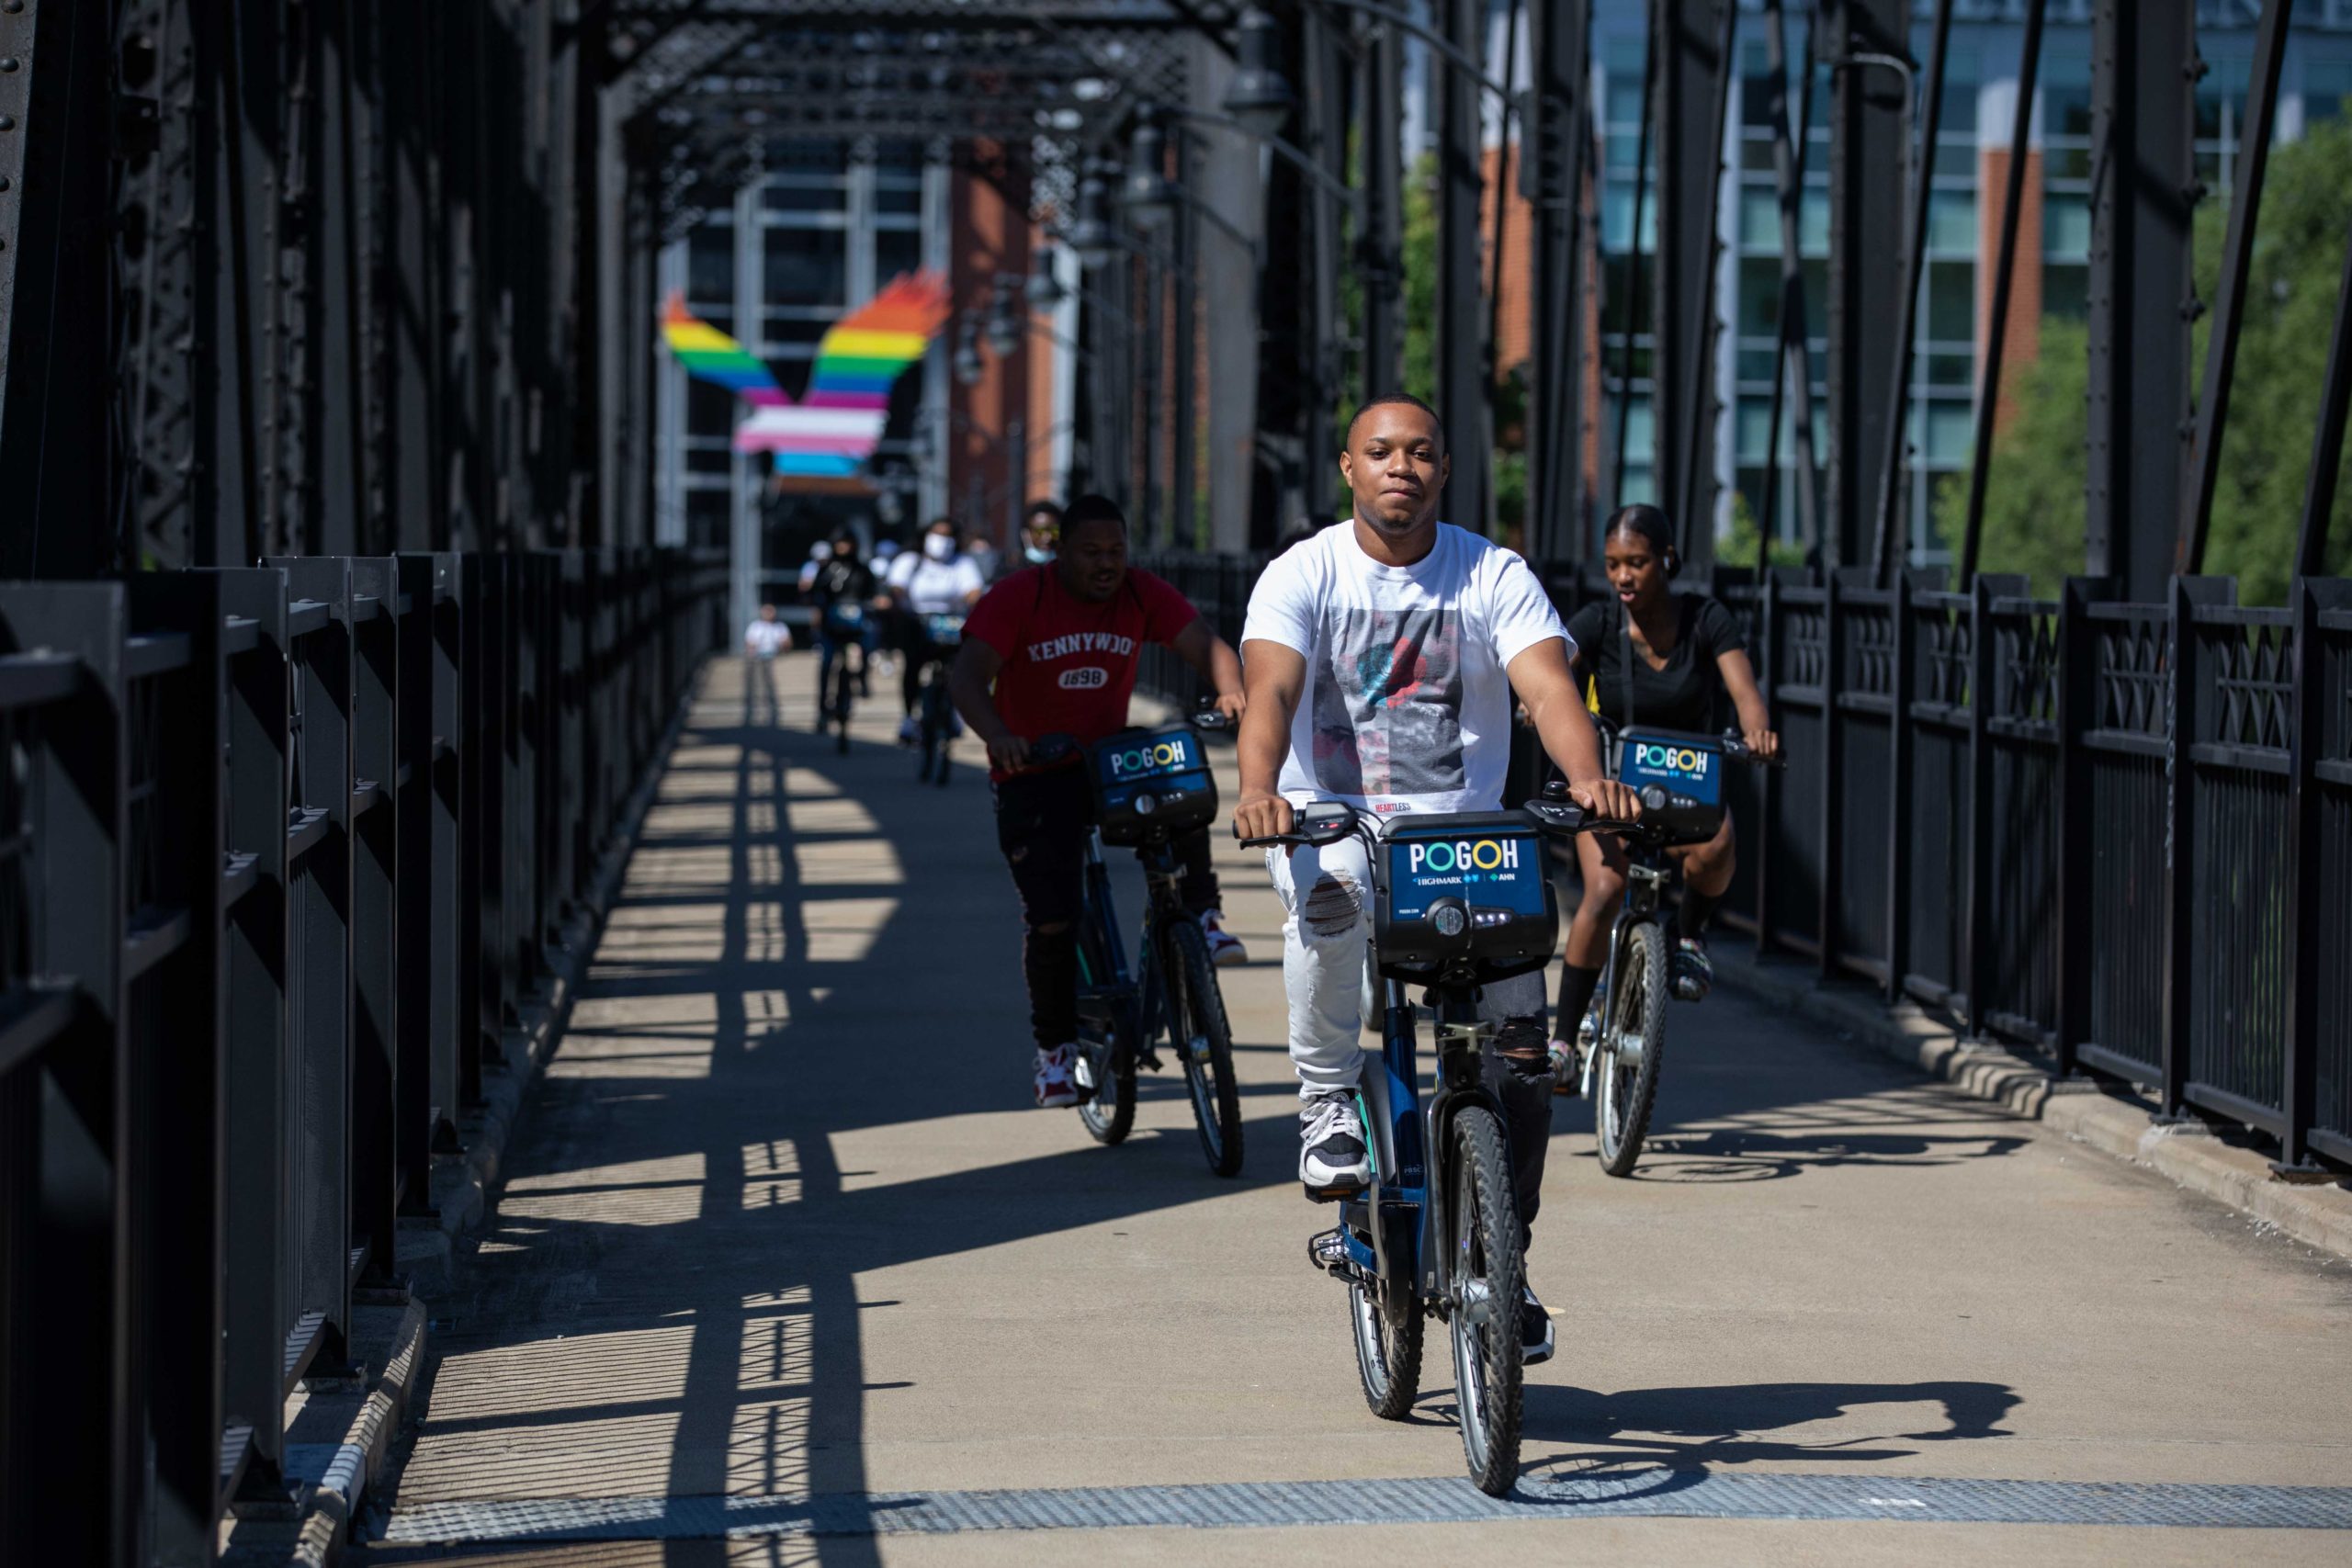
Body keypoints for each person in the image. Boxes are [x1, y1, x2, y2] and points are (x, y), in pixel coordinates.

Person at [1229, 392, 1640, 1362]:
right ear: (1348, 468)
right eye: (1380, 452)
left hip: (1462, 846)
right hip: (1336, 826)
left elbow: (1546, 684)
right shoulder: (1302, 572)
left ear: (1444, 469)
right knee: (1329, 895)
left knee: (1521, 1064)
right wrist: (1258, 790)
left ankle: (1503, 1257)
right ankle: (1328, 1099)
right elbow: (1272, 690)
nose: (1400, 468)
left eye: (1420, 452)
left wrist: (1588, 778)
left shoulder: (1492, 572)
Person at [950, 493, 1251, 1109]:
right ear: (1059, 551)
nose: (1106, 563)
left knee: (1178, 769)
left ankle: (1201, 915)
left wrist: (1231, 690)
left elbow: (1207, 646)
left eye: (1116, 550)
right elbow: (966, 675)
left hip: (1108, 762)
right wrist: (999, 736)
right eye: (1091, 552)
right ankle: (1055, 1052)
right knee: (1053, 918)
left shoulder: (1140, 593)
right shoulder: (1019, 597)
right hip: (1034, 768)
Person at [1553, 503, 1779, 1061]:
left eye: (1637, 562)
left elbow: (1745, 691)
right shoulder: (1598, 623)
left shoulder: (1705, 619)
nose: (1623, 576)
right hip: (1612, 787)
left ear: (1667, 560)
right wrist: (1533, 705)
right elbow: (1551, 671)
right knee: (1605, 890)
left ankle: (1687, 935)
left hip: (1683, 785)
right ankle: (1563, 1041)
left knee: (1718, 846)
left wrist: (1757, 731)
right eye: (1613, 564)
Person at [883, 517, 987, 743]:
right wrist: (898, 604)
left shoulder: (962, 563)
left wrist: (973, 604)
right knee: (912, 667)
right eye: (937, 535)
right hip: (917, 623)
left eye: (947, 536)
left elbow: (973, 591)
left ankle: (954, 713)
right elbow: (896, 587)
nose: (942, 541)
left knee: (958, 669)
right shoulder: (910, 561)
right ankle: (909, 717)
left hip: (952, 624)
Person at [806, 532, 880, 730]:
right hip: (832, 626)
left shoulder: (862, 569)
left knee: (868, 646)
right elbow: (815, 594)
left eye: (847, 543)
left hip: (857, 624)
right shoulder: (827, 569)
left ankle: (862, 679)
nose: (843, 547)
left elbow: (873, 593)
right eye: (840, 543)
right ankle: (823, 709)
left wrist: (876, 603)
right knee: (827, 663)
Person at [1019, 501, 1062, 566]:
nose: (1048, 538)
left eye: (1054, 531)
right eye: (1040, 531)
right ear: (1027, 534)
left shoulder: (1068, 567)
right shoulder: (1011, 567)